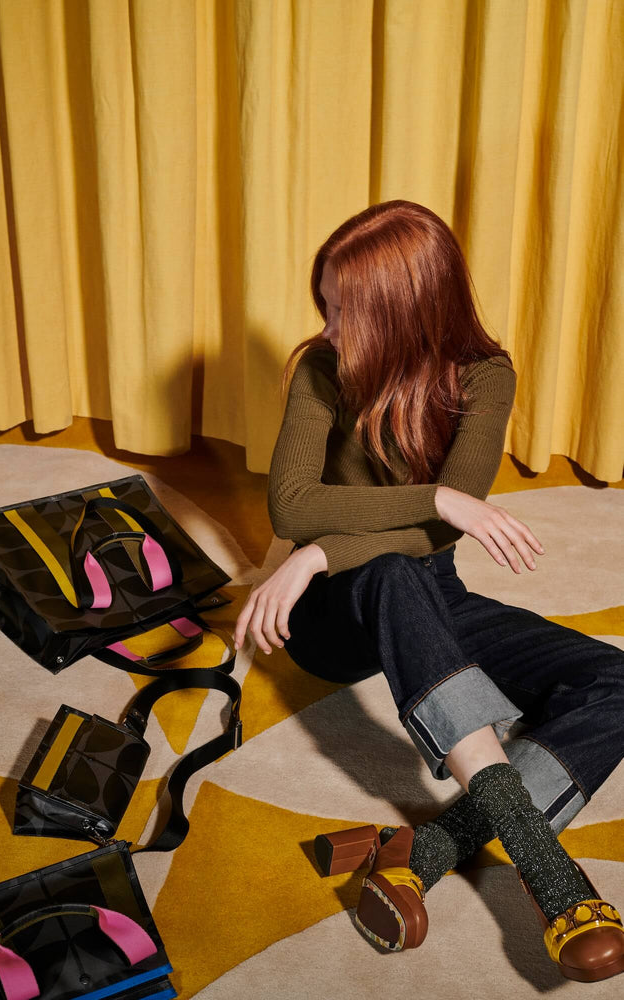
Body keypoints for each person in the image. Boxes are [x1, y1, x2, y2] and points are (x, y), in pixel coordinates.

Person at [233, 201, 624, 982]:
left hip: (421, 585)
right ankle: (546, 872)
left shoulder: (484, 376)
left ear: (405, 311)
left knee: (614, 681)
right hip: (331, 616)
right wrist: (415, 509)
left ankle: (428, 850)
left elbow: (438, 540)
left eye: (346, 312)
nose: (329, 328)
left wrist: (319, 552)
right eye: (327, 307)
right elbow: (293, 506)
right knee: (385, 572)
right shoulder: (319, 368)